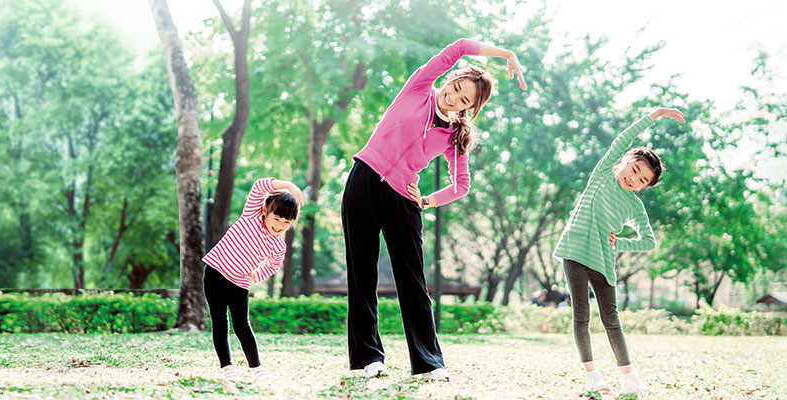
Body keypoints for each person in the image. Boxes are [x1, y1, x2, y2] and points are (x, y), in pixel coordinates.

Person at [342, 38, 528, 381]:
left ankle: (428, 363)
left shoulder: (455, 134)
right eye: (456, 87)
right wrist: (506, 55)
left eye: (464, 99)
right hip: (364, 181)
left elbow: (462, 185)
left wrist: (427, 200)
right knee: (362, 274)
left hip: (404, 199)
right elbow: (458, 47)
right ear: (449, 80)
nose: (454, 97)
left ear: (469, 108)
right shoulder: (419, 87)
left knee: (412, 282)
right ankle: (367, 359)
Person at [554, 107, 686, 394]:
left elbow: (648, 240)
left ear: (645, 187)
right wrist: (656, 114)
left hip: (602, 258)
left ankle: (629, 376)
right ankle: (592, 375)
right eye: (634, 170)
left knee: (611, 318)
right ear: (625, 161)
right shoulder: (603, 172)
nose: (633, 179)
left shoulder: (633, 205)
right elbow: (623, 138)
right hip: (574, 250)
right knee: (581, 315)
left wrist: (620, 242)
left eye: (641, 181)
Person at [202, 177, 303, 393]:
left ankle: (256, 366)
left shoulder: (278, 246)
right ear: (266, 210)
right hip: (215, 273)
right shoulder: (251, 215)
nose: (279, 226)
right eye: (277, 219)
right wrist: (288, 186)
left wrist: (254, 277)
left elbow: (273, 266)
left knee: (242, 325)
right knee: (220, 322)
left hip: (239, 283)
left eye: (286, 223)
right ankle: (227, 366)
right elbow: (259, 186)